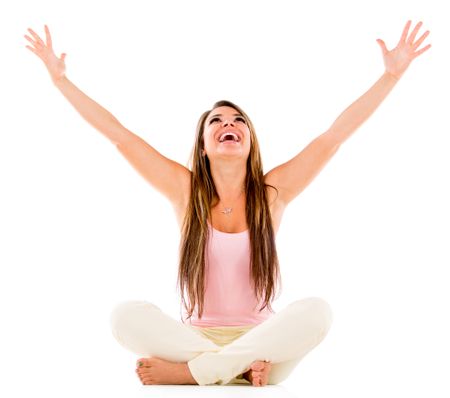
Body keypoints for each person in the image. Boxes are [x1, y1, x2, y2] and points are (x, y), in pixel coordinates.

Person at [24, 20, 431, 387]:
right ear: (202, 147)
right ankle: (233, 369)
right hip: (195, 340)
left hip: (264, 342)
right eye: (216, 121)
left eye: (237, 121)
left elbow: (333, 137)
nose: (227, 125)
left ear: (250, 140)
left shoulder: (272, 193)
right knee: (123, 317)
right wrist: (61, 81)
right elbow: (120, 136)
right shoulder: (185, 191)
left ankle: (197, 374)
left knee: (318, 312)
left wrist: (390, 76)